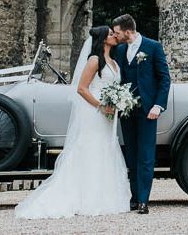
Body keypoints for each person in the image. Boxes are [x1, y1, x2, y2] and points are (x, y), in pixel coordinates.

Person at [15, 26, 129, 219]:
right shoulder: (94, 60)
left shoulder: (113, 62)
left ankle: (104, 196)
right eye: (110, 34)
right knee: (92, 149)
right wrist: (101, 106)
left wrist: (118, 101)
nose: (114, 36)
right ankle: (86, 197)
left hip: (109, 114)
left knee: (106, 148)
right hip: (95, 113)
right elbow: (82, 89)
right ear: (102, 39)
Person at [113, 14, 171, 215]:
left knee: (146, 156)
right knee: (131, 155)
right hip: (126, 111)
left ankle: (144, 201)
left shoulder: (153, 46)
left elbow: (164, 79)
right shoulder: (120, 50)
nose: (115, 35)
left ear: (127, 31)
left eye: (118, 32)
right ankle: (134, 197)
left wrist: (158, 105)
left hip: (148, 111)